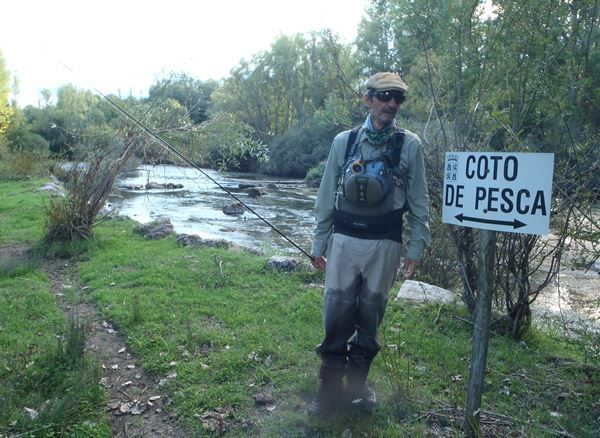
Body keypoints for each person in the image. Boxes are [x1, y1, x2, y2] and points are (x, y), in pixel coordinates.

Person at [308, 72, 431, 416]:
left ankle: (359, 390)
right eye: (385, 96)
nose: (391, 103)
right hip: (344, 242)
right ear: (368, 99)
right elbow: (325, 196)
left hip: (386, 245)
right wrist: (319, 243)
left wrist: (416, 248)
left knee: (370, 318)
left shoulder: (410, 145)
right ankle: (330, 390)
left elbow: (420, 203)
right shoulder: (343, 142)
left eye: (398, 98)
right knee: (335, 316)